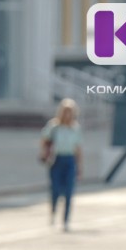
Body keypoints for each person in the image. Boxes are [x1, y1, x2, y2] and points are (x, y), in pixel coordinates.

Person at [40, 98, 82, 232]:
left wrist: (79, 166)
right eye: (65, 112)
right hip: (56, 160)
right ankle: (53, 211)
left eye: (70, 112)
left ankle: (65, 220)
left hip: (69, 160)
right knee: (56, 189)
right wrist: (44, 153)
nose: (68, 115)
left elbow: (78, 148)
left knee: (69, 191)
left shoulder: (75, 128)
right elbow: (44, 140)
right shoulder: (53, 127)